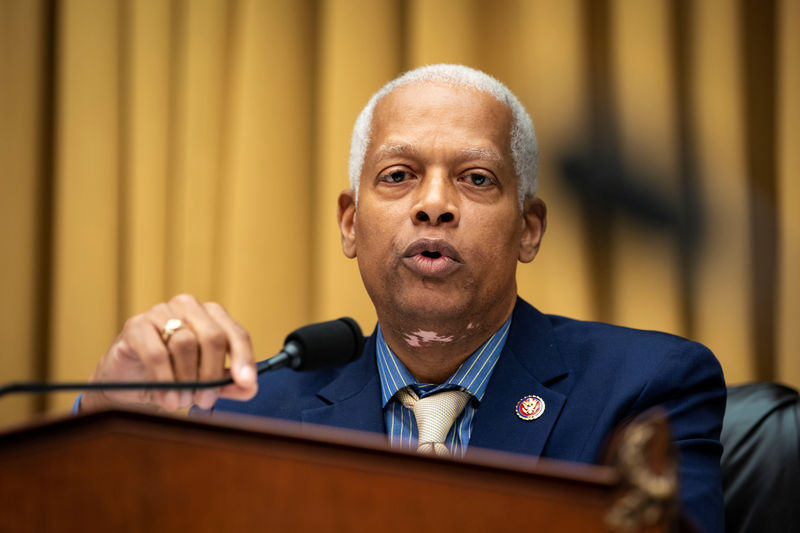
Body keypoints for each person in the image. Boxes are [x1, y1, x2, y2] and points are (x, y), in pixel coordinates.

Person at [79, 65, 725, 533]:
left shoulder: (644, 393)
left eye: (475, 178)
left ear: (529, 227)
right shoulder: (246, 416)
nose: (434, 203)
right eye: (399, 176)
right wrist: (106, 413)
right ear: (350, 224)